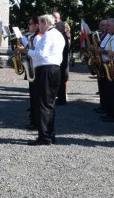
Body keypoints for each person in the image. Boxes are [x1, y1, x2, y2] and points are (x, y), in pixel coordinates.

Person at [24, 14, 65, 145]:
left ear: (45, 23)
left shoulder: (48, 35)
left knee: (43, 104)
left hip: (46, 70)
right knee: (49, 104)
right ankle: (49, 134)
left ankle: (44, 136)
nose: (39, 26)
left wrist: (27, 51)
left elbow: (40, 54)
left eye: (40, 24)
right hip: (55, 69)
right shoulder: (58, 34)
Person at [20, 15, 42, 129]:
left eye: (30, 24)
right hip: (32, 68)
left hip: (36, 69)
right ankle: (33, 120)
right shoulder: (33, 36)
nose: (28, 26)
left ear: (36, 25)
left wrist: (24, 50)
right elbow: (28, 46)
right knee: (32, 97)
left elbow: (33, 51)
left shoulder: (38, 37)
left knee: (36, 97)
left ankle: (36, 121)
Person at [99, 19, 114, 123]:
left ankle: (113, 115)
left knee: (113, 92)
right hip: (107, 64)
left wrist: (102, 51)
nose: (106, 27)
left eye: (108, 25)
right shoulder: (111, 35)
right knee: (109, 91)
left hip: (112, 65)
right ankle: (109, 113)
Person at [53, 12, 71, 105]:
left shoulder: (63, 36)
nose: (56, 28)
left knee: (62, 79)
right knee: (60, 80)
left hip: (63, 60)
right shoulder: (61, 35)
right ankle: (60, 98)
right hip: (61, 59)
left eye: (57, 27)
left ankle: (61, 99)